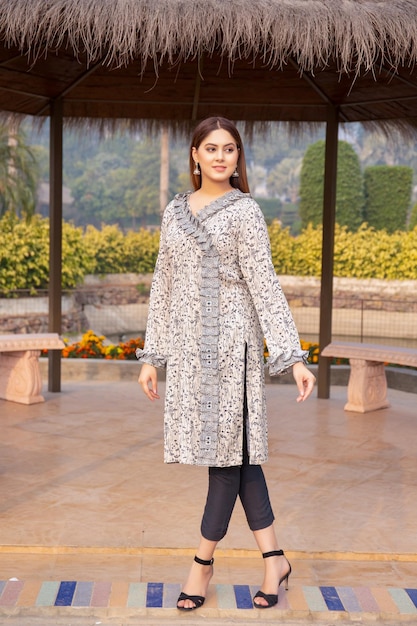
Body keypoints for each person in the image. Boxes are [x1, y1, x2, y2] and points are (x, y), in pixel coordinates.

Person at [137, 116, 316, 611]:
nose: (220, 156)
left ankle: (201, 566)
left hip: (234, 350)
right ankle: (275, 559)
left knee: (226, 461)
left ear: (238, 159)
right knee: (238, 459)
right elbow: (163, 286)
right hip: (191, 353)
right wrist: (153, 355)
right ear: (194, 155)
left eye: (230, 149)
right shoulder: (174, 213)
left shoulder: (246, 212)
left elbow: (265, 286)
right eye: (211, 148)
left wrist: (292, 356)